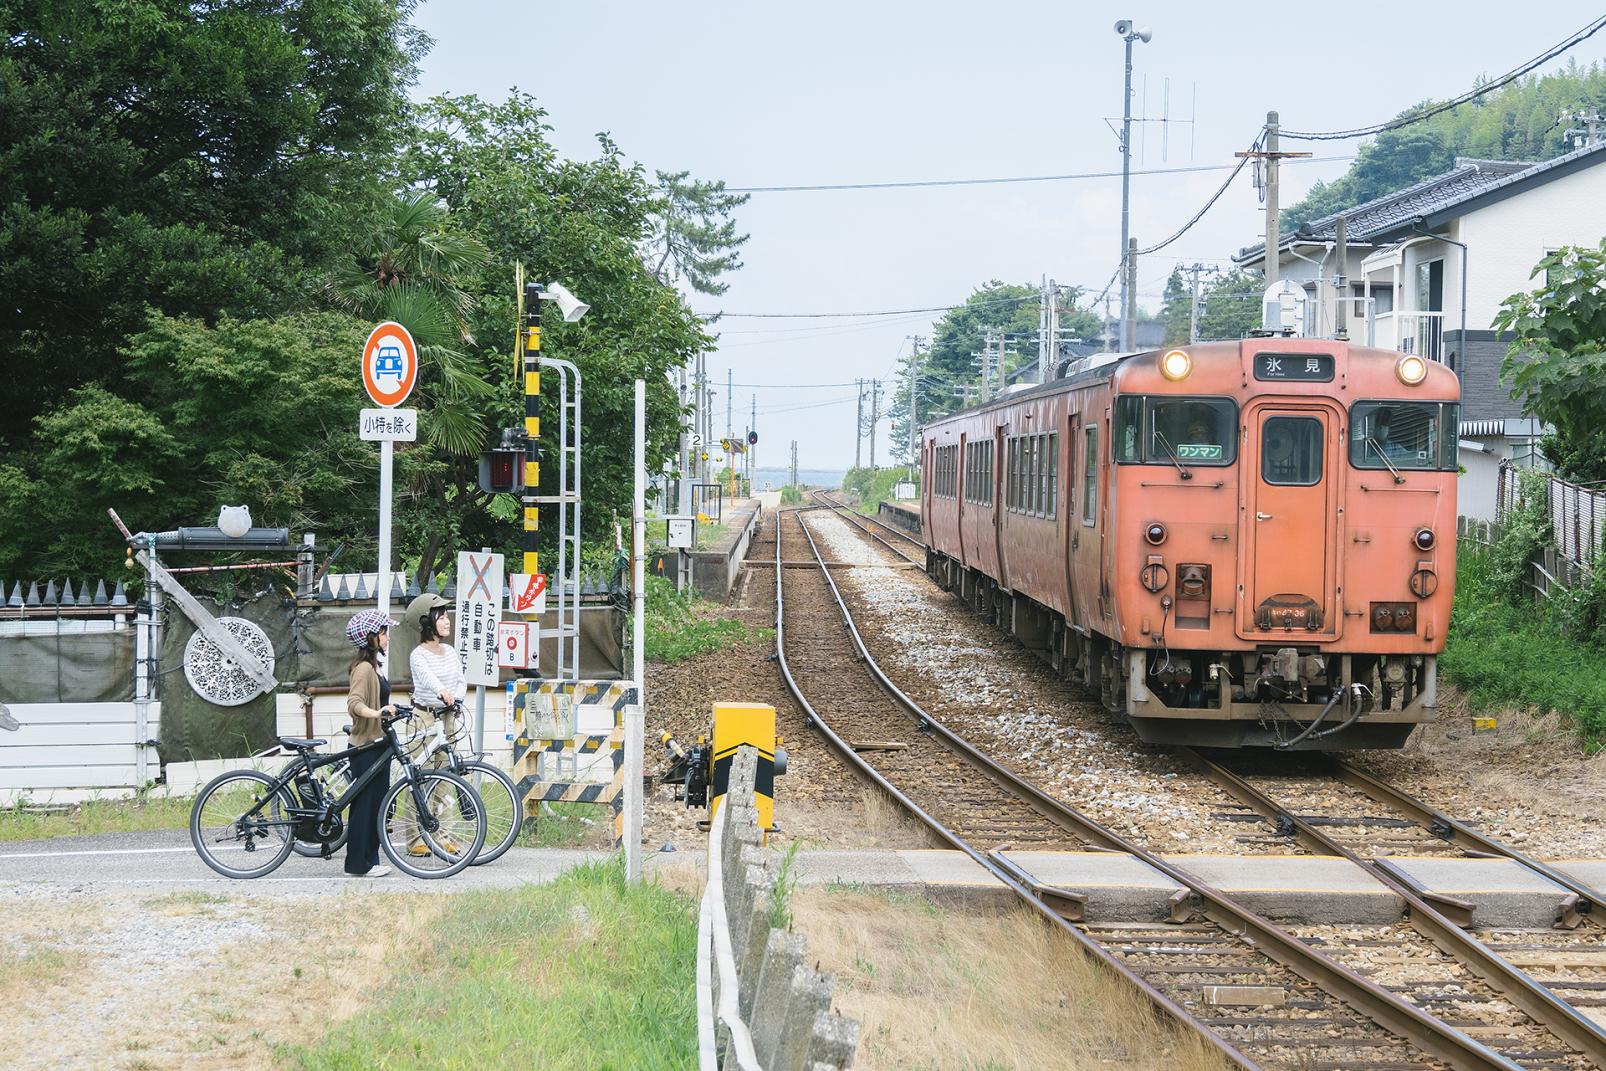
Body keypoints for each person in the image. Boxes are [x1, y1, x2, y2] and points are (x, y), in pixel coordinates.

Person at [404, 592, 466, 857]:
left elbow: (461, 680)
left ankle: (443, 836)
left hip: (448, 716)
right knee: (419, 778)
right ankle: (414, 838)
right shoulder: (418, 655)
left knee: (446, 778)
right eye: (441, 617)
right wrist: (441, 691)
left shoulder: (450, 651)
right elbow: (428, 678)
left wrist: (456, 697)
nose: (447, 620)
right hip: (424, 718)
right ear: (427, 622)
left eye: (447, 616)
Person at [344, 609, 397, 878]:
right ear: (370, 637)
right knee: (364, 806)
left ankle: (371, 861)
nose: (387, 637)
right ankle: (358, 865)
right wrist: (376, 713)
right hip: (365, 745)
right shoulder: (363, 669)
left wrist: (389, 709)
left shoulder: (375, 667)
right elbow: (354, 703)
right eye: (384, 633)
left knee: (377, 804)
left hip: (379, 744)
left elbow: (379, 700)